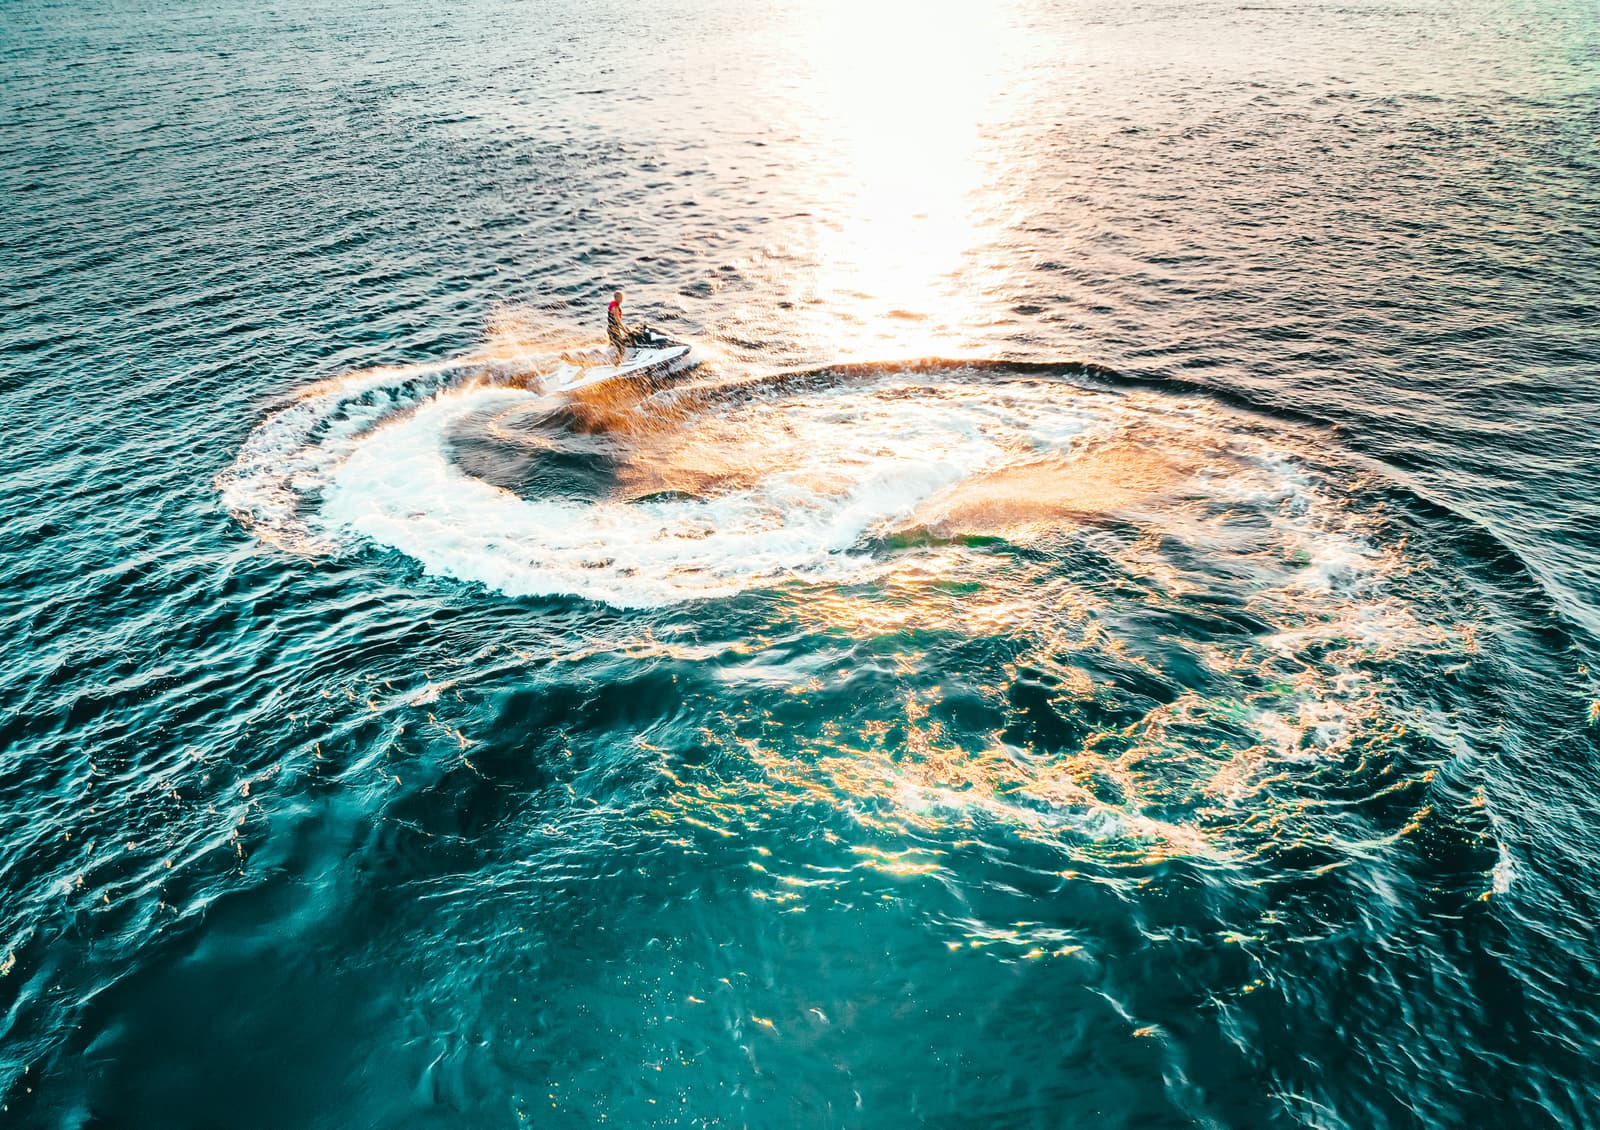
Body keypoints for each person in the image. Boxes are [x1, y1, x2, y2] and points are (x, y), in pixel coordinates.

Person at [607, 289, 628, 366]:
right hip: (613, 331)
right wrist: (624, 330)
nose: (621, 299)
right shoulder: (615, 307)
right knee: (621, 347)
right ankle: (617, 364)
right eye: (620, 297)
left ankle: (607, 360)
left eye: (622, 297)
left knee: (612, 346)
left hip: (611, 329)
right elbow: (617, 320)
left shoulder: (614, 304)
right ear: (615, 298)